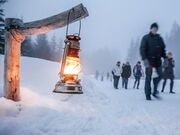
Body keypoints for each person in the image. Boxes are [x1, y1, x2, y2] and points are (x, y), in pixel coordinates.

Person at [140, 22, 166, 100]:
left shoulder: (159, 38)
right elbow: (142, 49)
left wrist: (165, 58)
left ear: (157, 29)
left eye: (156, 28)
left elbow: (163, 50)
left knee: (161, 75)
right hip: (149, 61)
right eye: (153, 28)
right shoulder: (146, 37)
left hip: (158, 61)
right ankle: (148, 94)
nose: (155, 30)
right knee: (148, 78)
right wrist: (144, 59)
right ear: (151, 29)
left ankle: (154, 91)